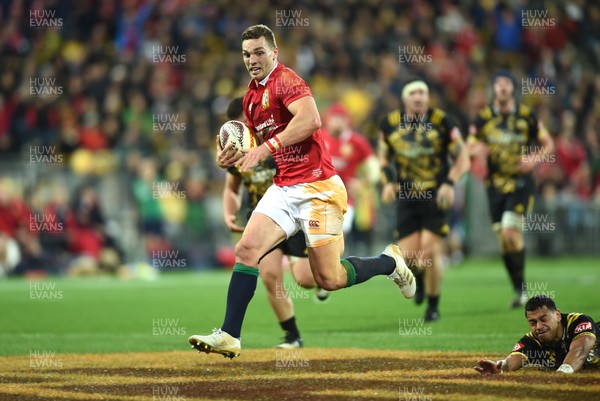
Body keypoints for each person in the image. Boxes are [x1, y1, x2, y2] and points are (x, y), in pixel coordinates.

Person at [189, 24, 415, 359]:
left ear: (274, 52)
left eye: (259, 52)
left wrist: (265, 149)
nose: (252, 59)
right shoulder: (250, 99)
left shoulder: (287, 80)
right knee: (247, 249)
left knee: (329, 278)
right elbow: (252, 147)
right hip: (284, 187)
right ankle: (230, 334)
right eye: (246, 54)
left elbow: (311, 120)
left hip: (318, 187)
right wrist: (231, 158)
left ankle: (388, 262)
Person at [222, 96, 326, 349]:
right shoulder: (237, 150)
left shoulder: (276, 141)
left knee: (306, 279)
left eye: (241, 124)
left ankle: (327, 275)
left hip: (292, 213)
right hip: (261, 216)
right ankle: (292, 335)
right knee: (269, 275)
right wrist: (229, 212)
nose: (239, 132)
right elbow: (232, 187)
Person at [379, 79, 470, 322]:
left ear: (428, 98)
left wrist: (450, 184)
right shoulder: (389, 124)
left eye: (422, 92)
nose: (418, 97)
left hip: (435, 195)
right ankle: (416, 277)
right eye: (413, 93)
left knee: (428, 254)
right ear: (405, 99)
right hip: (407, 198)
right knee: (408, 258)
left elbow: (463, 159)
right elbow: (384, 158)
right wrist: (388, 181)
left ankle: (433, 306)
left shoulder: (442, 122)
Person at [468, 70, 554, 308]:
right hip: (494, 185)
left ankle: (523, 289)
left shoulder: (527, 116)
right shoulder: (483, 118)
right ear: (494, 89)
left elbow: (548, 144)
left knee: (509, 233)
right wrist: (477, 152)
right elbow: (470, 144)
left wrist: (534, 159)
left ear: (513, 89)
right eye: (499, 83)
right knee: (505, 242)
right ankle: (519, 290)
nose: (503, 87)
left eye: (507, 83)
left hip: (519, 183)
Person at [475, 295, 600, 374]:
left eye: (543, 319)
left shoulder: (578, 322)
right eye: (533, 322)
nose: (539, 327)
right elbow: (512, 362)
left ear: (557, 315)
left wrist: (561, 374)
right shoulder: (532, 340)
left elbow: (580, 350)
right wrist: (500, 367)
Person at [321, 103, 380, 254]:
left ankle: (334, 267)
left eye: (341, 118)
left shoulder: (356, 142)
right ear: (327, 120)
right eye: (334, 118)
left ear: (347, 121)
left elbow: (374, 168)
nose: (337, 122)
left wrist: (363, 182)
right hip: (319, 196)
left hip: (345, 198)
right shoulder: (319, 138)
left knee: (338, 234)